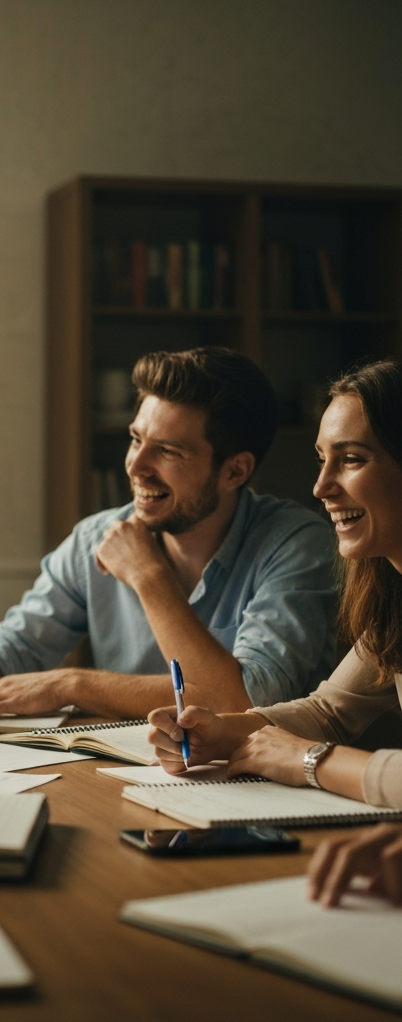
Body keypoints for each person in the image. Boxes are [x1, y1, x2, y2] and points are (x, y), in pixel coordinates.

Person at [0, 347, 337, 719]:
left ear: (234, 471)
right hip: (120, 780)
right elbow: (4, 660)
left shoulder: (296, 545)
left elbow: (244, 701)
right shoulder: (96, 536)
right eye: (137, 439)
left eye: (170, 452)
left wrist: (144, 582)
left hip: (254, 791)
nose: (137, 465)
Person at [148, 360, 402, 905]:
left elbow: (317, 740)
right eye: (321, 460)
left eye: (351, 459)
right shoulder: (393, 597)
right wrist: (227, 731)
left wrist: (310, 761)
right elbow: (331, 711)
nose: (322, 486)